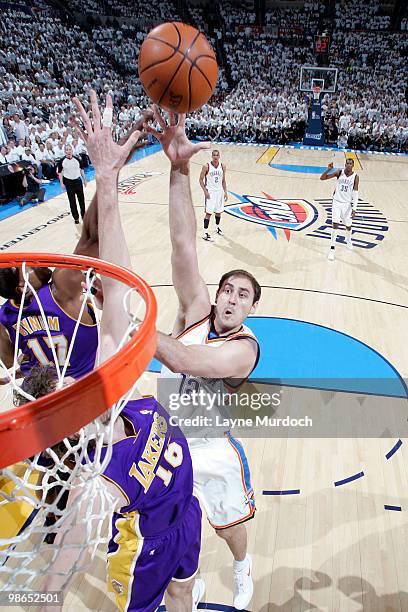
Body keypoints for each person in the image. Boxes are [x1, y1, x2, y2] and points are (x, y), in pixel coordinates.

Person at [35, 90, 204, 612]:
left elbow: (120, 285)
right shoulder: (97, 488)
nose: (80, 387)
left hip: (186, 512)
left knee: (185, 593)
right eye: (70, 397)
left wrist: (105, 181)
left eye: (73, 385)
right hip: (144, 551)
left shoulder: (114, 388)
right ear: (68, 432)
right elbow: (48, 588)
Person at [145, 107, 260, 610]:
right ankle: (186, 577)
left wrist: (137, 330)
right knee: (164, 526)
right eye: (227, 290)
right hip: (166, 438)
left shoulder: (244, 350)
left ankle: (241, 566)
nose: (232, 299)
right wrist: (177, 167)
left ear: (252, 309)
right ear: (217, 295)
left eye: (243, 296)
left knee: (230, 524)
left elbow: (188, 363)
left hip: (211, 446)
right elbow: (182, 244)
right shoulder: (196, 308)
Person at [0, 194, 99, 382]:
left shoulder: (4, 315)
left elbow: (8, 361)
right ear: (23, 288)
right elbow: (93, 239)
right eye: (25, 267)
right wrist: (105, 182)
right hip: (86, 385)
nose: (33, 263)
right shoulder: (59, 289)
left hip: (43, 395)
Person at [320, 158, 359, 261]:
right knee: (335, 225)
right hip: (336, 202)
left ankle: (349, 240)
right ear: (345, 164)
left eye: (351, 163)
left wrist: (354, 208)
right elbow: (322, 178)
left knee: (348, 225)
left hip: (347, 204)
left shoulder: (355, 177)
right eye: (347, 163)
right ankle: (332, 249)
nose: (349, 165)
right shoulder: (339, 172)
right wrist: (328, 169)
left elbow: (355, 193)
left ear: (353, 165)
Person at [199, 149, 228, 241]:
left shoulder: (222, 166)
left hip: (219, 192)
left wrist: (225, 192)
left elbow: (223, 180)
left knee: (218, 212)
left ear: (219, 156)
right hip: (210, 192)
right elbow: (200, 179)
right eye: (214, 155)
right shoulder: (206, 166)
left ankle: (217, 228)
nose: (215, 157)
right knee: (208, 213)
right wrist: (205, 191)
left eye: (217, 155)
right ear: (212, 156)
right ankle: (205, 233)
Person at [57, 143, 88, 225]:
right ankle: (76, 218)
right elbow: (60, 173)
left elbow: (81, 170)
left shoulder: (77, 159)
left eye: (69, 149)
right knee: (72, 201)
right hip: (69, 182)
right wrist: (61, 183)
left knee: (81, 200)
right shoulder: (62, 161)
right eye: (66, 150)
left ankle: (84, 216)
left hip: (78, 181)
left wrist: (84, 180)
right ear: (64, 151)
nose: (68, 151)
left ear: (72, 150)